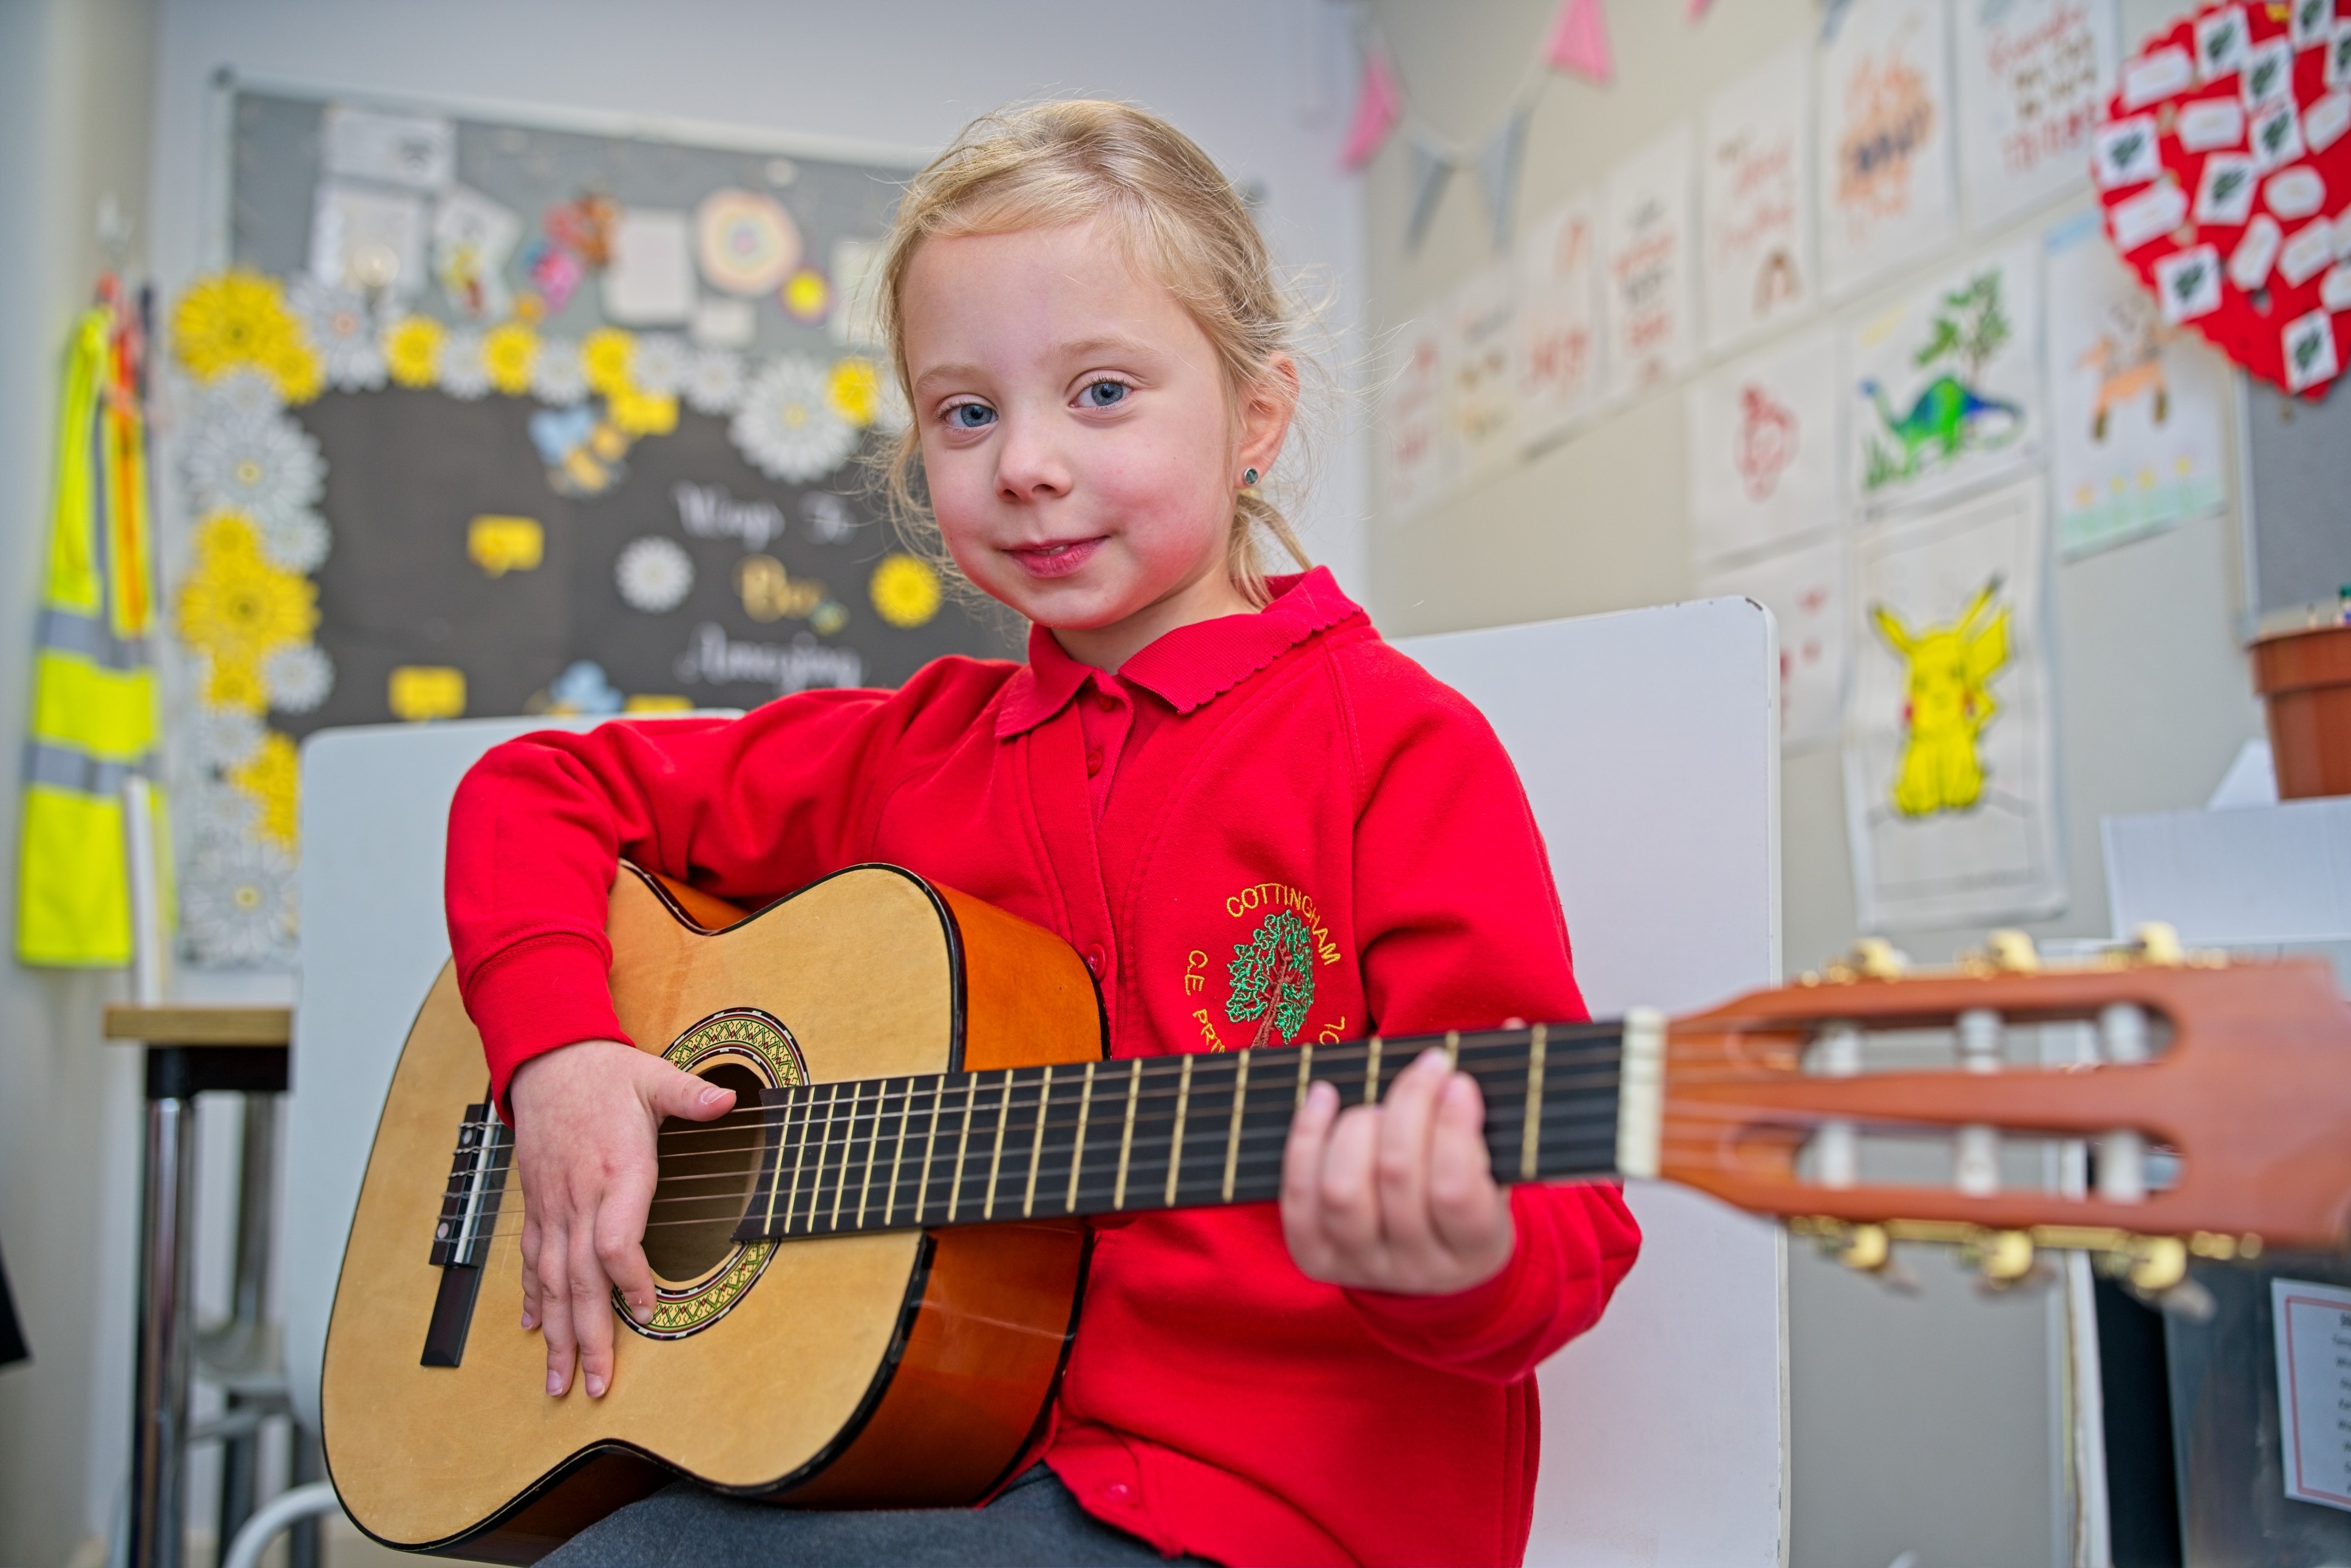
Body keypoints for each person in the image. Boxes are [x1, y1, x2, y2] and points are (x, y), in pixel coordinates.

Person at [445, 99, 1641, 1568]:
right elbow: (535, 789)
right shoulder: (907, 752)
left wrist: (1459, 1254)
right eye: (966, 411)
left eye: (1101, 393)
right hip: (938, 1464)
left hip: (1255, 1521)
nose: (1023, 461)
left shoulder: (1392, 750)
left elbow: (1565, 1224)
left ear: (1256, 416)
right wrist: (559, 1058)